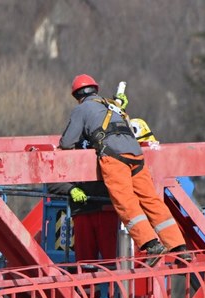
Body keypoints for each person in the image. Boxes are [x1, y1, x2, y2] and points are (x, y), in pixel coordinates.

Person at [58, 74, 187, 262]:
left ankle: (151, 245)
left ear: (77, 96)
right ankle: (178, 246)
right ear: (96, 90)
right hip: (136, 155)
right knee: (150, 199)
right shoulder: (112, 106)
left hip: (114, 155)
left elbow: (67, 142)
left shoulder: (82, 109)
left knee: (124, 200)